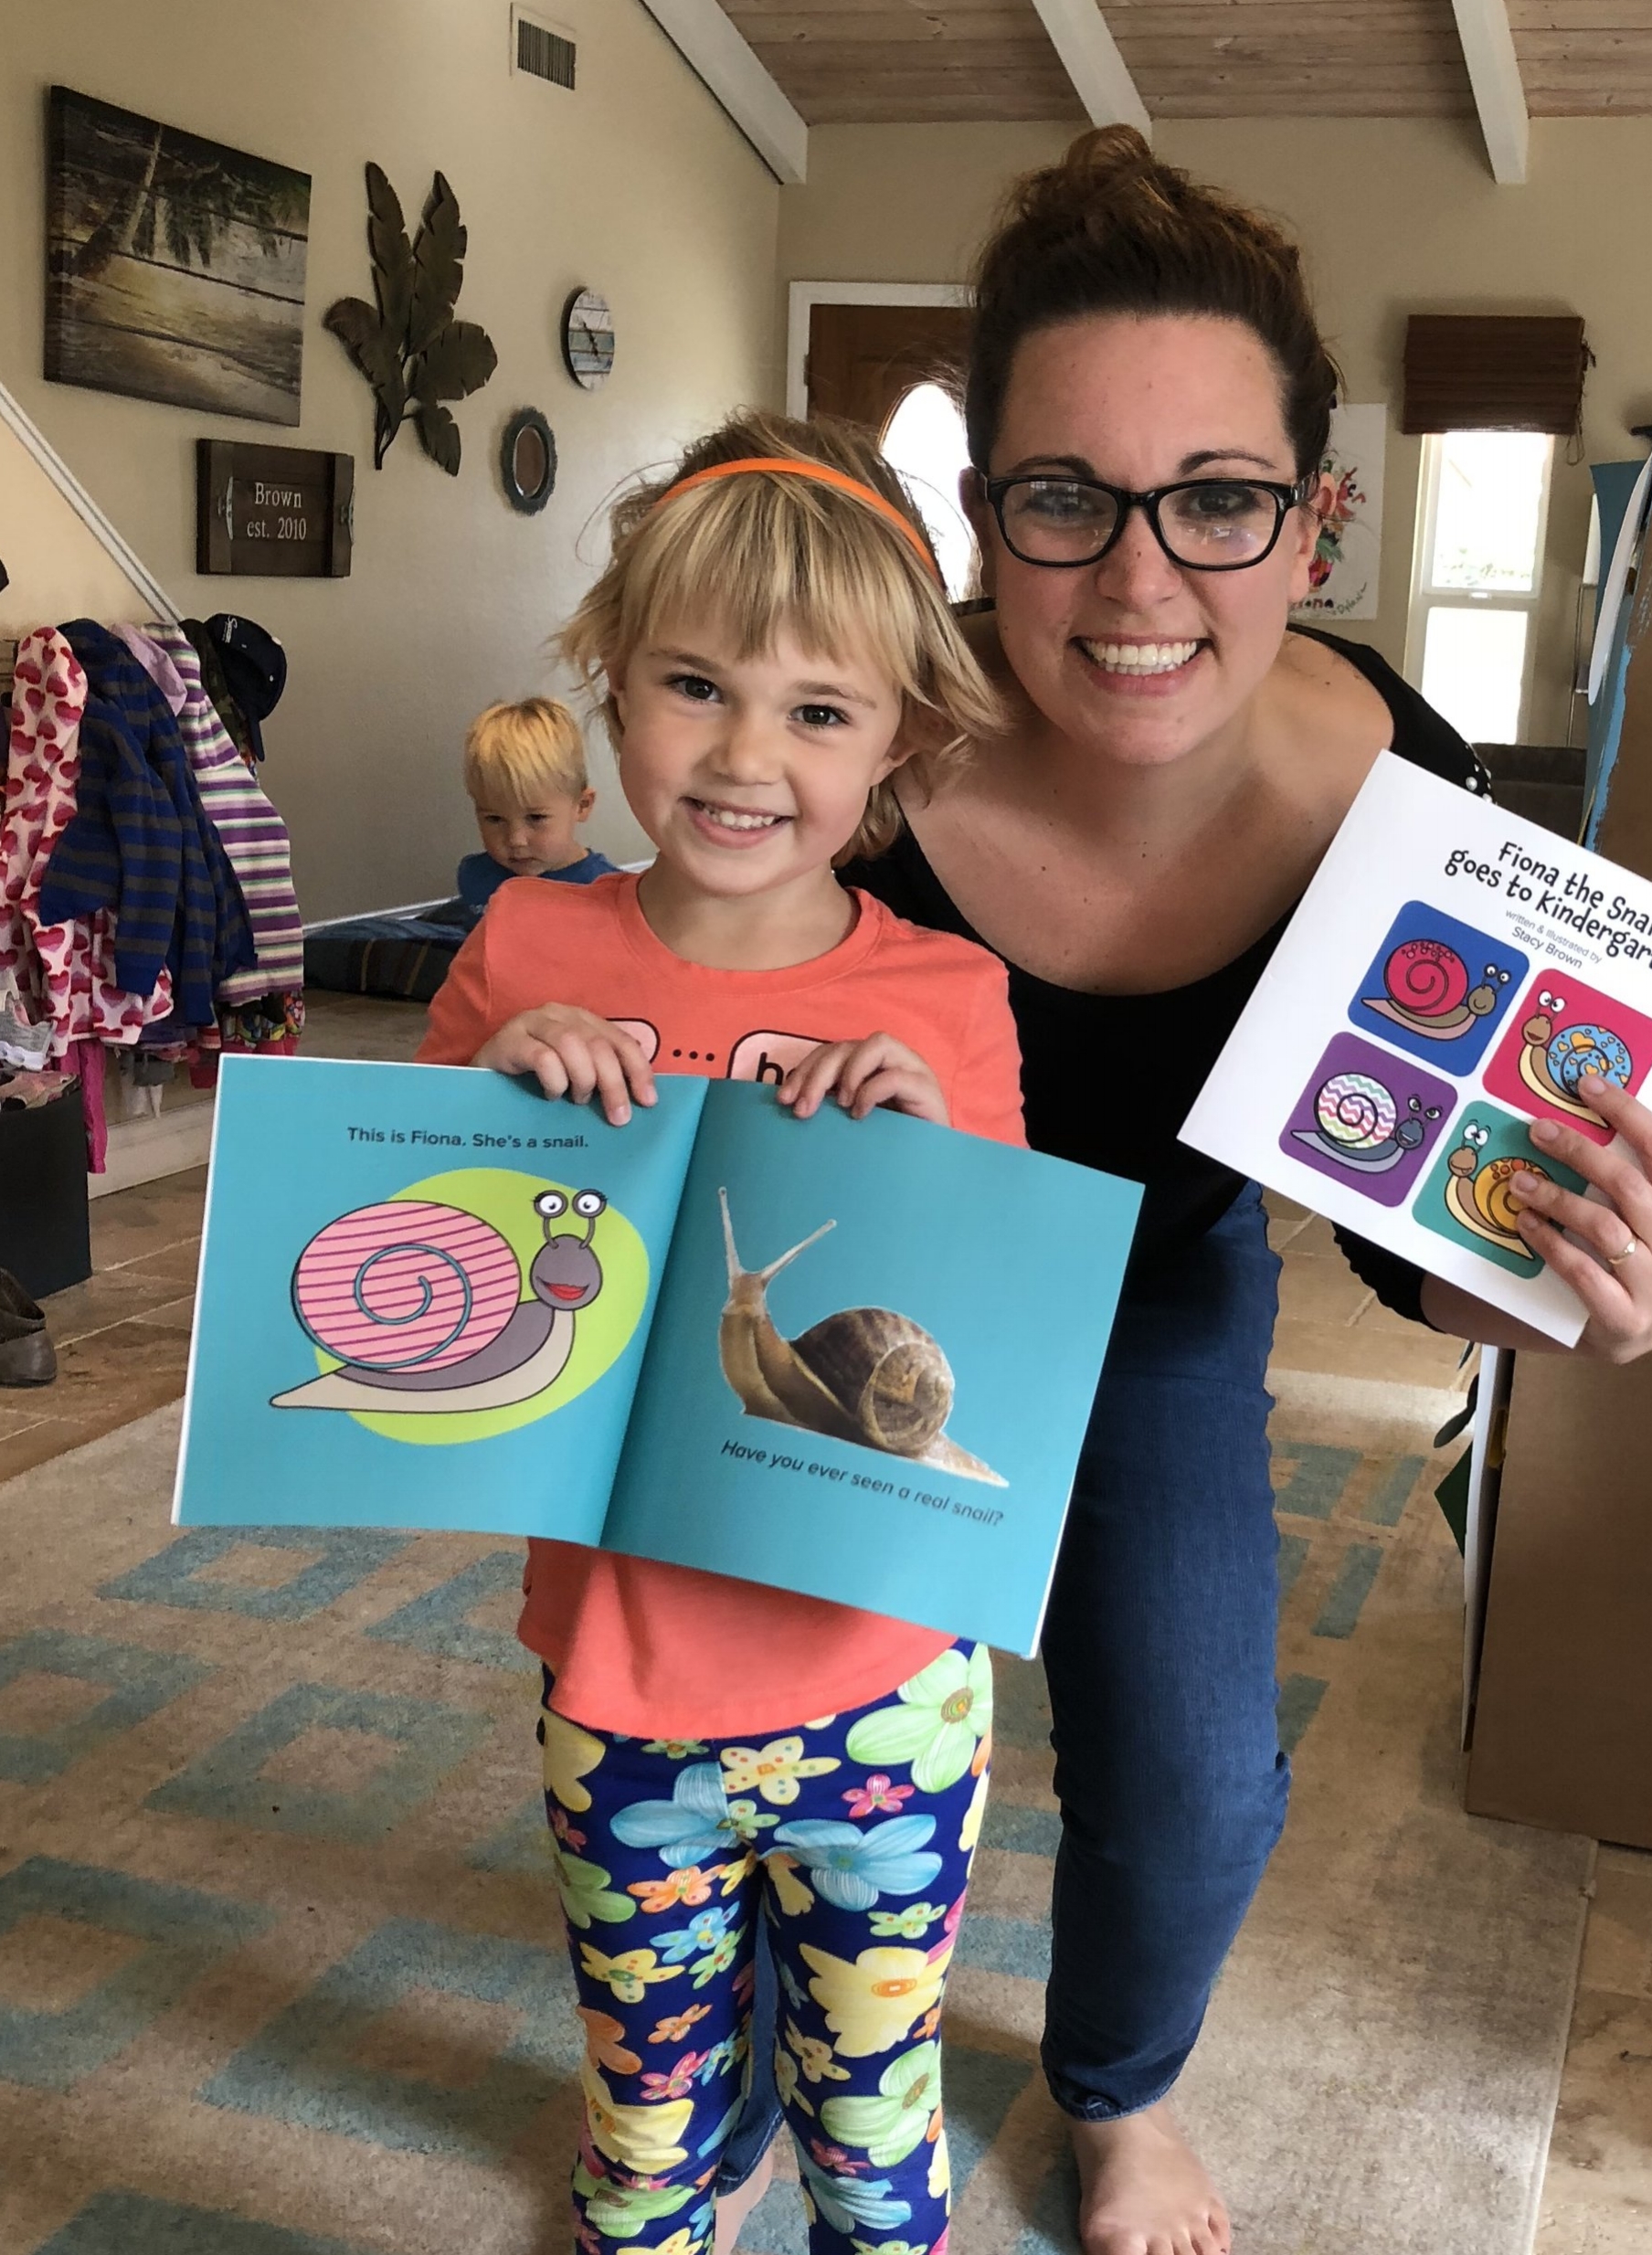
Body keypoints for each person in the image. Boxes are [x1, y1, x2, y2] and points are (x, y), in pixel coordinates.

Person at [838, 130, 1652, 2255]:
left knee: (1192, 1772)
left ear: (1310, 519)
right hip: (857, 1259)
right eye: (1064, 497)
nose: (1139, 581)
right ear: (980, 514)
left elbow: (1420, 1243)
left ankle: (1120, 2090)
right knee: (764, 1727)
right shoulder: (852, 747)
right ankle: (771, 2021)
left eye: (1216, 498)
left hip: (1155, 1278)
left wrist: (1571, 1286)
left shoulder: (1407, 798)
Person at [417, 412, 1022, 2255]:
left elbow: (1005, 1324)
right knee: (643, 2114)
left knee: (877, 2118)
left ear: (899, 737)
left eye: (817, 711)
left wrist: (931, 1143)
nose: (746, 755)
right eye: (694, 685)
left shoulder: (949, 992)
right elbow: (402, 1249)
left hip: (890, 1685)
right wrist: (494, 1091)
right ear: (612, 676)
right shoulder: (523, 947)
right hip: (621, 1678)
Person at [456, 694, 619, 912]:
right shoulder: (476, 875)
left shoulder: (606, 894)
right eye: (494, 819)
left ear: (582, 806)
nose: (516, 840)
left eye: (535, 817)